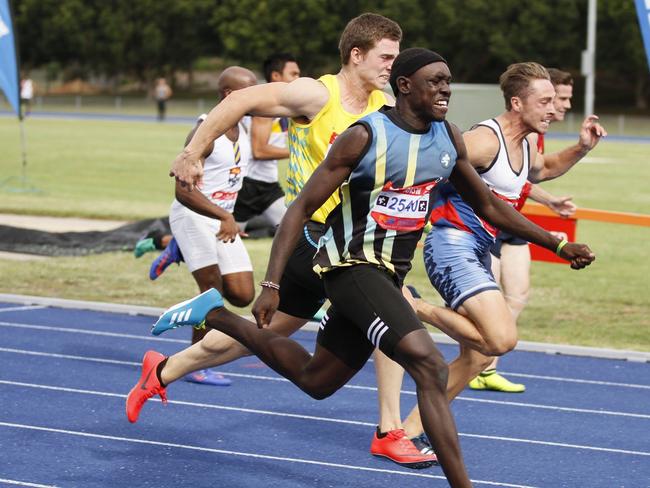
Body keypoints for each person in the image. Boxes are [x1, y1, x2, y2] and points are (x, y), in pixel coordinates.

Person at [144, 49, 595, 488]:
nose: (445, 89)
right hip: (350, 266)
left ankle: (215, 315)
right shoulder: (365, 135)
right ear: (404, 86)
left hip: (389, 273)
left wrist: (556, 242)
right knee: (430, 366)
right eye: (434, 81)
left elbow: (490, 207)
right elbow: (300, 209)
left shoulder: (448, 138)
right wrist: (270, 283)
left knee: (316, 380)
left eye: (447, 81)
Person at [128, 13, 443, 469]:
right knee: (396, 306)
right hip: (312, 240)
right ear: (356, 55)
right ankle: (389, 430)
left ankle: (162, 370)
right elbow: (239, 100)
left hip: (352, 241)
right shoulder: (317, 94)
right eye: (386, 57)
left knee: (261, 337)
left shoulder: (386, 103)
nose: (393, 66)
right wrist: (192, 151)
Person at [387, 62, 604, 450]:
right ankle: (414, 306)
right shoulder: (486, 140)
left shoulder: (526, 142)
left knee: (474, 359)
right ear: (517, 103)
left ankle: (409, 432)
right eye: (546, 101)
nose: (554, 109)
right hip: (452, 245)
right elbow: (430, 163)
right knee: (500, 340)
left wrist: (582, 148)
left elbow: (545, 168)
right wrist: (411, 222)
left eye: (555, 101)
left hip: (477, 251)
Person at [468, 67, 577, 392]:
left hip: (515, 221)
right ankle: (474, 359)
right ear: (523, 102)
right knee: (494, 301)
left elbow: (528, 175)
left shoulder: (535, 133)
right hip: (488, 224)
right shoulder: (500, 134)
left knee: (518, 293)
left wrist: (549, 202)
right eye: (559, 98)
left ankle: (487, 367)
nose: (564, 106)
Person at [164, 66, 259, 385]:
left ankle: (174, 249)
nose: (257, 97)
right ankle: (195, 363)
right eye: (250, 91)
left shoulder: (243, 129)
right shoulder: (205, 132)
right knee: (212, 292)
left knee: (243, 294)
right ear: (229, 95)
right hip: (194, 217)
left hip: (222, 220)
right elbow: (182, 189)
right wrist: (224, 215)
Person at [233, 53, 301, 234]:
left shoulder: (284, 106)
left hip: (268, 186)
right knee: (225, 238)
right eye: (293, 74)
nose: (298, 79)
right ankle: (172, 246)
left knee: (292, 232)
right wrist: (297, 151)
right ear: (276, 76)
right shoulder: (266, 106)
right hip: (248, 186)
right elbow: (259, 150)